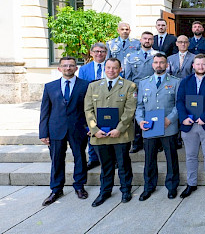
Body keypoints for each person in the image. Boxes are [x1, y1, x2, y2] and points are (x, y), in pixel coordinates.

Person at [84, 58, 137, 207]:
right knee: (106, 166)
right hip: (100, 136)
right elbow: (88, 110)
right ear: (104, 69)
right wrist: (94, 130)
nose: (111, 71)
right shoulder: (93, 86)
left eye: (115, 68)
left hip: (121, 134)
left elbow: (129, 110)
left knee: (123, 164)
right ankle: (104, 191)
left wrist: (119, 129)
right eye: (108, 67)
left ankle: (126, 190)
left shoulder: (129, 86)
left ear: (120, 69)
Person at [39, 57, 90, 206]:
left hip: (78, 129)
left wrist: (89, 127)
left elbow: (89, 109)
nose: (68, 68)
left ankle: (79, 186)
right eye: (65, 66)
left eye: (71, 65)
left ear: (76, 68)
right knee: (56, 160)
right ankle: (56, 189)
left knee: (80, 158)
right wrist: (43, 132)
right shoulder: (50, 87)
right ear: (59, 68)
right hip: (56, 129)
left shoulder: (85, 86)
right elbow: (45, 111)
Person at [176, 54, 205, 198]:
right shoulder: (185, 81)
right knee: (190, 156)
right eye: (198, 64)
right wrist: (183, 118)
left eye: (203, 64)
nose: (200, 67)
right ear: (193, 66)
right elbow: (179, 101)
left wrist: (204, 117)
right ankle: (191, 184)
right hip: (189, 125)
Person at [136, 54, 181, 201]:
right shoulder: (143, 83)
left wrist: (170, 119)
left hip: (168, 127)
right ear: (152, 64)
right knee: (149, 159)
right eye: (156, 62)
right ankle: (148, 187)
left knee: (171, 159)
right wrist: (140, 121)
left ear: (167, 65)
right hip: (149, 128)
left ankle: (172, 187)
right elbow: (140, 106)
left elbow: (179, 105)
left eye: (162, 62)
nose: (159, 65)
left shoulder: (175, 82)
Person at [124, 31, 158, 153]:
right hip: (136, 90)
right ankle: (137, 142)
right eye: (145, 39)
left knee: (153, 113)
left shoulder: (158, 55)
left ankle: (155, 141)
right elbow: (128, 76)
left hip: (154, 90)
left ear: (153, 41)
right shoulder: (131, 57)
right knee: (137, 115)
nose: (147, 41)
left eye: (150, 39)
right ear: (140, 40)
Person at [77, 42, 107, 169]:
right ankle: (93, 158)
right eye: (96, 51)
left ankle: (111, 158)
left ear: (106, 53)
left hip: (108, 104)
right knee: (91, 130)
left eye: (102, 51)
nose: (99, 54)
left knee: (108, 129)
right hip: (91, 104)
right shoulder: (84, 69)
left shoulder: (112, 66)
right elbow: (82, 88)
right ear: (91, 53)